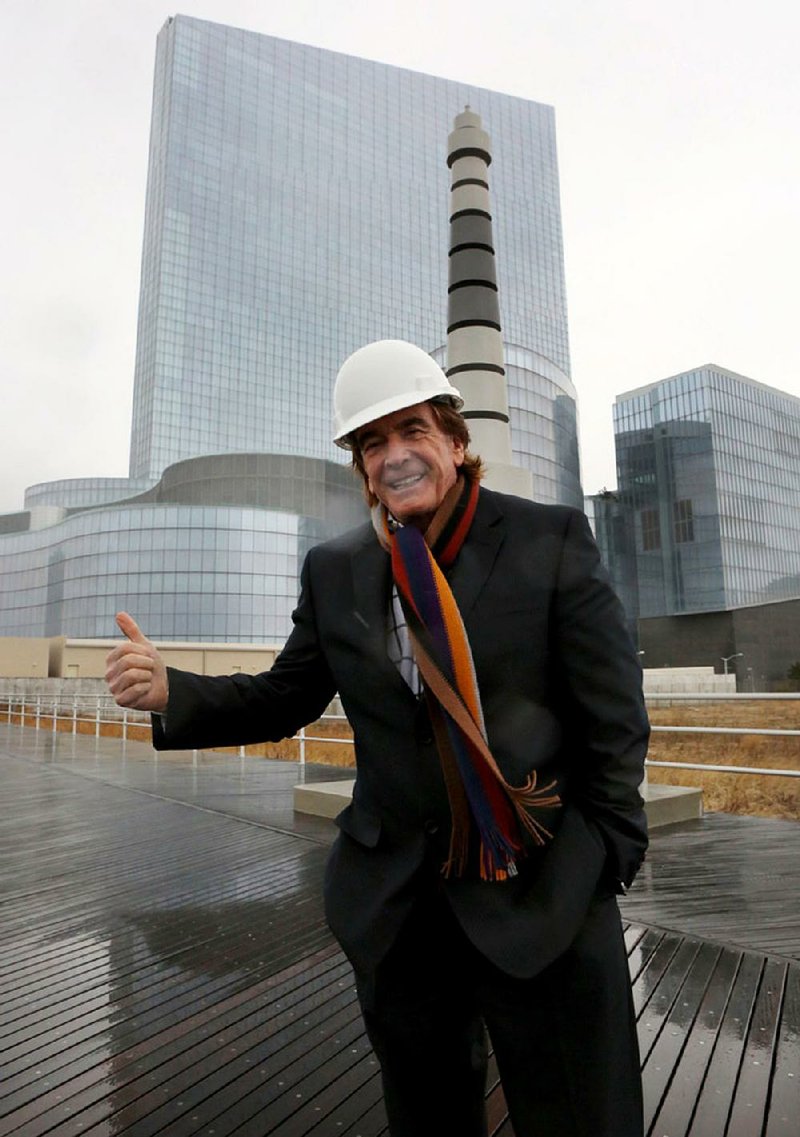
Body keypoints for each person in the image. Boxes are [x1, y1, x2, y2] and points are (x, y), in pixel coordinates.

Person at [106, 339, 650, 1137]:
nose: (394, 456)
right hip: (400, 912)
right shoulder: (337, 569)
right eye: (372, 442)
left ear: (458, 442)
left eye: (413, 430)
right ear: (360, 466)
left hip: (544, 894)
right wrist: (172, 689)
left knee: (579, 1117)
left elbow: (615, 722)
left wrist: (600, 860)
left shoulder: (551, 538)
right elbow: (286, 695)